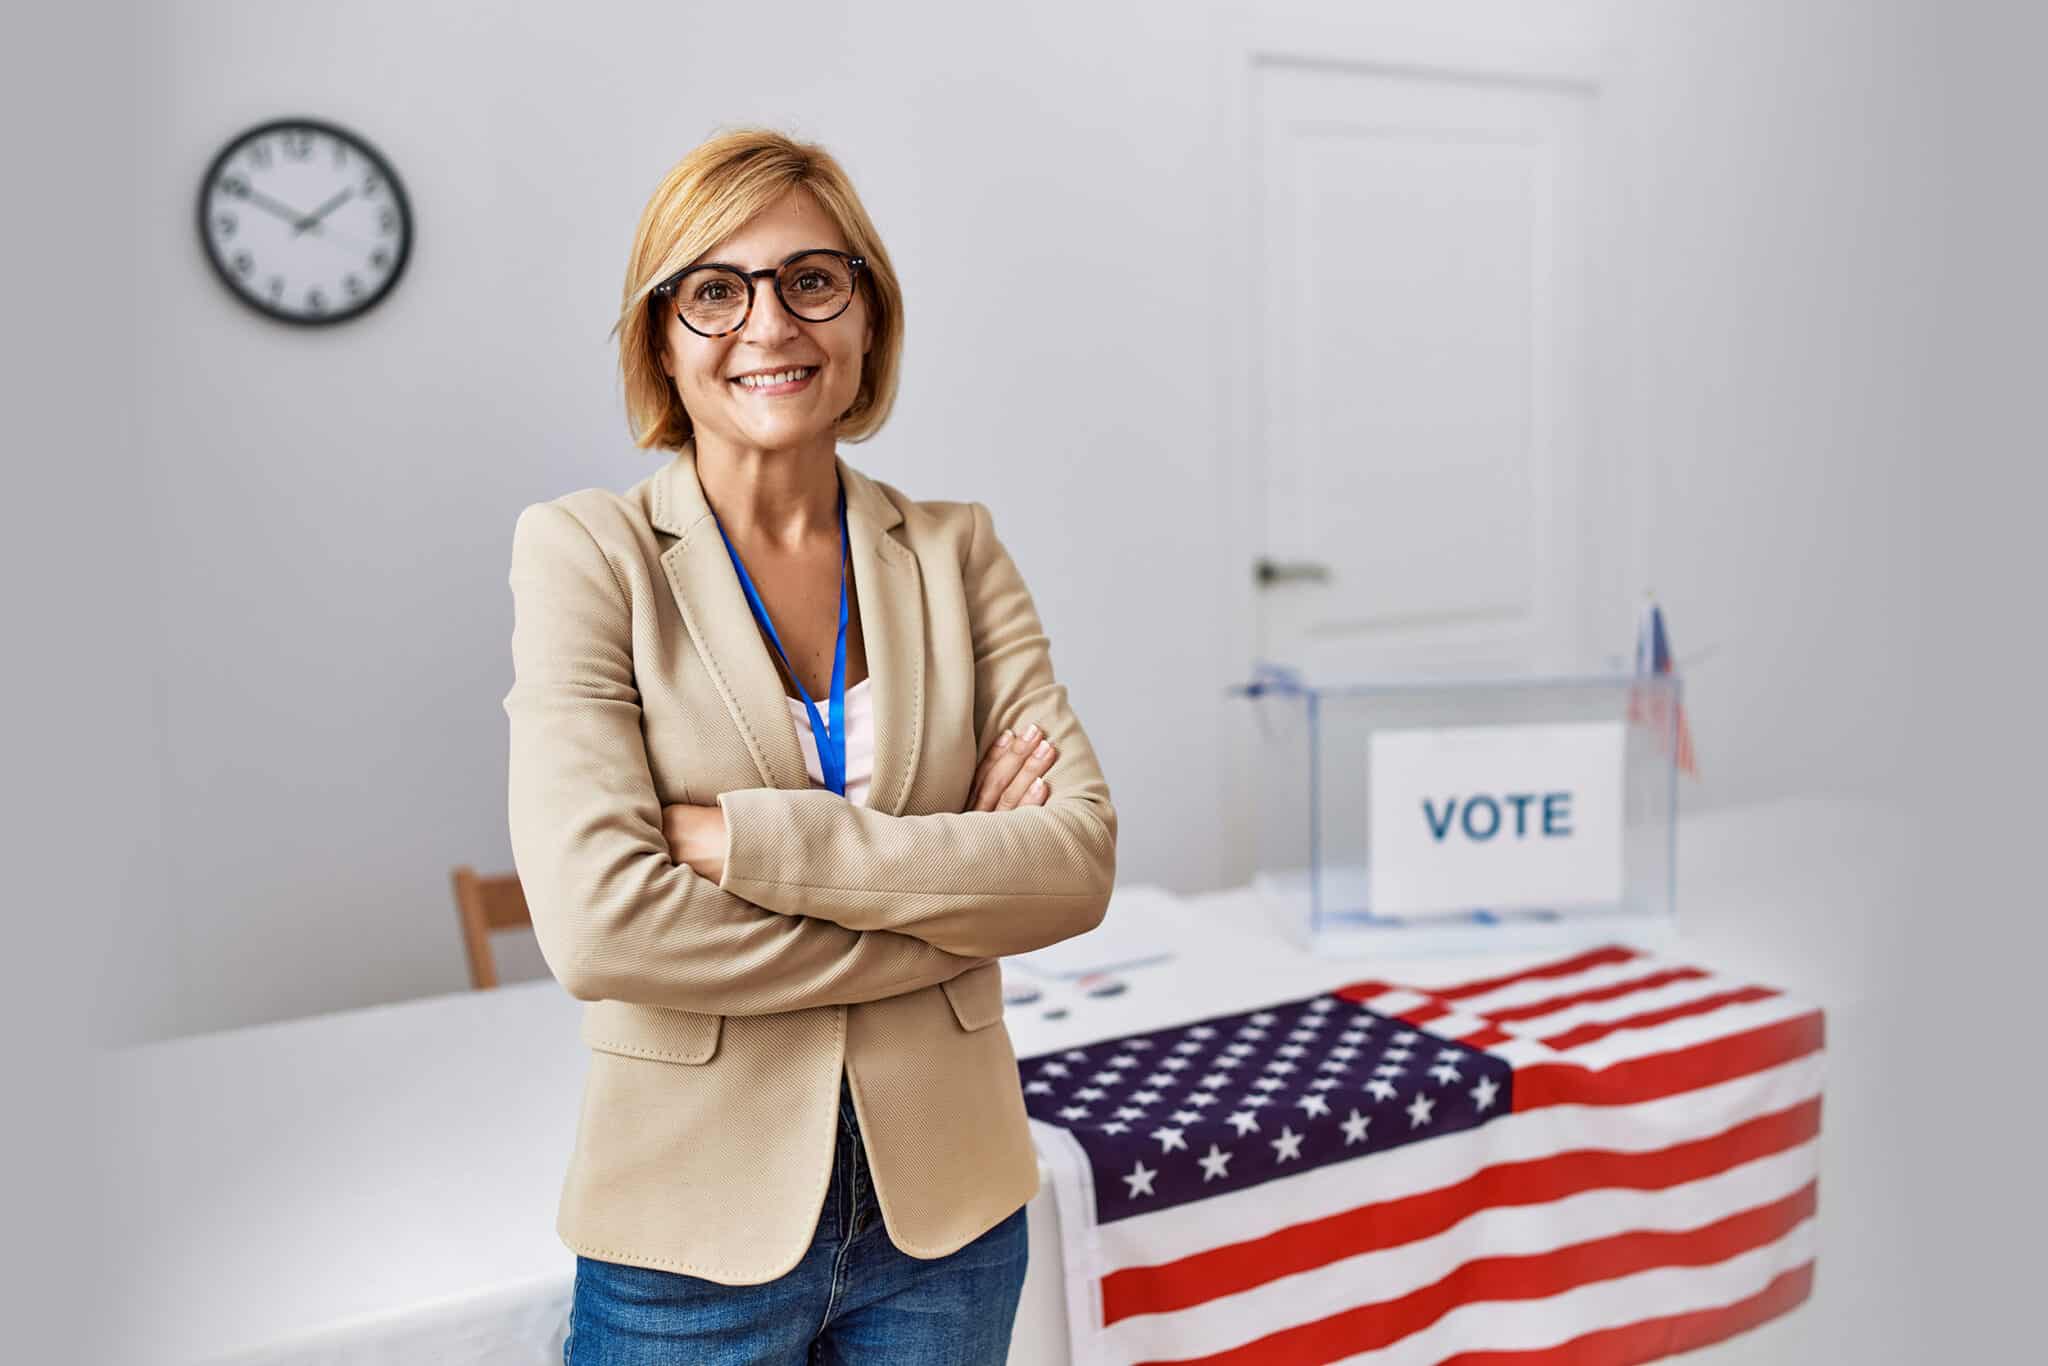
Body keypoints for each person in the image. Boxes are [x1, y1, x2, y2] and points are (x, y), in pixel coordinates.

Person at [502, 126, 1119, 1364]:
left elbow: (1074, 864)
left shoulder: (958, 549)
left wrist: (743, 841)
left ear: (866, 320)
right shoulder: (587, 554)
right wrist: (951, 898)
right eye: (715, 289)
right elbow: (600, 926)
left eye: (811, 280)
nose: (769, 324)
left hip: (949, 1212)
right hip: (686, 1229)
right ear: (661, 337)